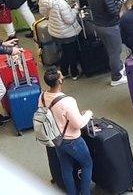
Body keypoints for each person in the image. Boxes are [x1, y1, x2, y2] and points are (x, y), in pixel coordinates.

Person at [41, 66, 94, 195]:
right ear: (59, 81)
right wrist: (88, 113)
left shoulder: (42, 96)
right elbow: (79, 124)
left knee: (66, 167)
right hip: (72, 141)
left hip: (57, 139)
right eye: (61, 76)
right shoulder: (67, 101)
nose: (63, 77)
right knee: (87, 164)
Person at [84, 0, 126, 86]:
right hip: (110, 26)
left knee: (110, 49)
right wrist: (119, 1)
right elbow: (113, 12)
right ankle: (116, 77)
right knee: (115, 51)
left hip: (98, 24)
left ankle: (118, 67)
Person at [40, 0, 83, 79]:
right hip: (67, 33)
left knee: (64, 51)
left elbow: (46, 14)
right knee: (71, 53)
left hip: (55, 32)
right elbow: (69, 20)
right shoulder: (61, 3)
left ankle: (63, 71)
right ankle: (74, 73)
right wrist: (75, 9)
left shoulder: (46, 0)